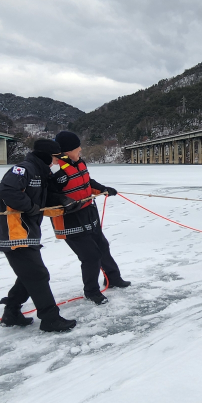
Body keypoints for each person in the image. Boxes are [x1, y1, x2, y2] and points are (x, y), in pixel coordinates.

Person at [0, 139, 78, 332]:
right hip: (15, 233)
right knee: (38, 275)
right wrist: (29, 207)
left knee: (30, 274)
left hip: (28, 232)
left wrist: (64, 201)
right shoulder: (24, 169)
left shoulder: (42, 172)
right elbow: (4, 190)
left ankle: (11, 312)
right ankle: (50, 319)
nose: (57, 162)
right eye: (56, 158)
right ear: (47, 155)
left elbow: (43, 199)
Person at [49, 131, 130, 306]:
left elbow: (87, 182)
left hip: (89, 213)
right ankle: (91, 291)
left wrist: (103, 189)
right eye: (77, 147)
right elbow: (48, 195)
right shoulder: (54, 168)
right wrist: (64, 201)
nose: (80, 149)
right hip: (69, 219)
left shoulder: (79, 162)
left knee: (103, 246)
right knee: (91, 256)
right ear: (67, 150)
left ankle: (113, 278)